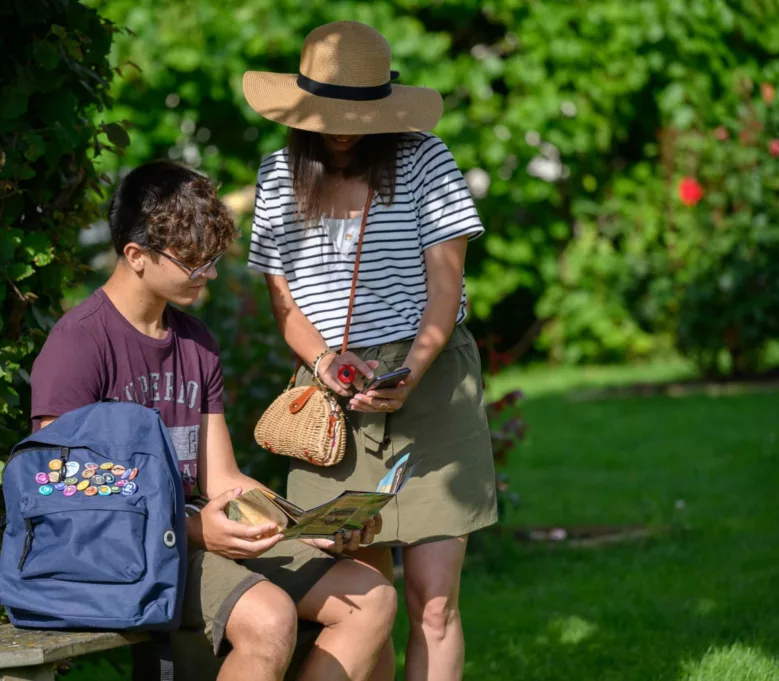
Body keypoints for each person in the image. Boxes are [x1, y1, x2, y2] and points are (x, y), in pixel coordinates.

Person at [28, 160, 396, 681]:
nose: (211, 274)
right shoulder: (78, 344)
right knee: (269, 618)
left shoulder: (195, 341)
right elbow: (59, 484)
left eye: (213, 259)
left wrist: (310, 527)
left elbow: (222, 479)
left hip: (194, 533)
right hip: (123, 551)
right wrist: (193, 528)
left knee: (372, 595)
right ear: (136, 255)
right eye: (195, 264)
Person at [243, 21, 499, 681]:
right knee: (365, 599)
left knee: (433, 602)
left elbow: (446, 289)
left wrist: (412, 369)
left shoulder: (425, 161)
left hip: (431, 380)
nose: (342, 128)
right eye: (328, 115)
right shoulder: (277, 175)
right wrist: (324, 361)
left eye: (357, 114)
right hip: (331, 396)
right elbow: (285, 305)